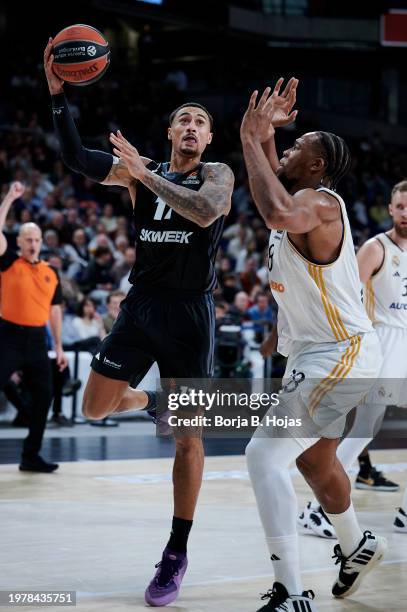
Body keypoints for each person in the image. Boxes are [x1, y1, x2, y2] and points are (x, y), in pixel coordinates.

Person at [44, 39, 234, 606]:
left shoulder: (215, 174)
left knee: (189, 438)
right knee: (93, 407)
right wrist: (59, 96)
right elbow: (77, 159)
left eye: (200, 122)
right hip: (143, 306)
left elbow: (204, 211)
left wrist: (141, 176)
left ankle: (175, 552)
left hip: (190, 318)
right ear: (172, 134)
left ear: (208, 138)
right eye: (184, 121)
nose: (193, 127)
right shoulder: (140, 169)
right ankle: (148, 403)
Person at [240, 79, 386, 611]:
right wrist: (259, 139)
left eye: (299, 145)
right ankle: (357, 545)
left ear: (318, 167)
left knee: (263, 456)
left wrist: (249, 140)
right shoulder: (300, 195)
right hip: (317, 352)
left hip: (341, 352)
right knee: (315, 463)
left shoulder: (319, 203)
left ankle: (289, 592)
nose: (290, 146)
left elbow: (276, 210)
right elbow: (274, 193)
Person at [299, 179, 407, 538]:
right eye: (401, 206)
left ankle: (320, 507)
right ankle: (317, 507)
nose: (406, 214)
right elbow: (348, 295)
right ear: (390, 209)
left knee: (364, 430)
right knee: (363, 429)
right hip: (384, 341)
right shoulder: (377, 248)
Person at [0, 181, 68, 472]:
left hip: (38, 341)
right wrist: (9, 200)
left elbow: (55, 311)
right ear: (18, 242)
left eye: (36, 239)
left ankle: (31, 456)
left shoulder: (51, 272)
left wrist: (59, 347)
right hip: (8, 337)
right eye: (27, 239)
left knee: (44, 396)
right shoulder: (8, 263)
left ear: (42, 242)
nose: (32, 243)